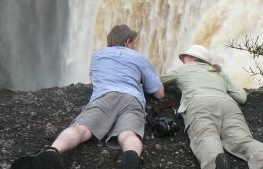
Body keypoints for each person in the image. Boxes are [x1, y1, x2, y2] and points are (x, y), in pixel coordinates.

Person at [11, 24, 165, 169]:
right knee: (128, 134)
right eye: (133, 42)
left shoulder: (97, 55)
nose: (134, 46)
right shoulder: (139, 57)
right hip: (132, 99)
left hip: (104, 96)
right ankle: (131, 159)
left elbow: (96, 79)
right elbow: (159, 94)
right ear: (128, 41)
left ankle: (52, 152)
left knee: (81, 129)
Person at [161, 45, 263, 169]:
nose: (182, 60)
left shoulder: (183, 70)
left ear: (194, 58)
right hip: (228, 105)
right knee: (242, 139)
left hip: (200, 103)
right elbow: (241, 97)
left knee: (206, 135)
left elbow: (156, 83)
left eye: (185, 57)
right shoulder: (219, 72)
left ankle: (215, 163)